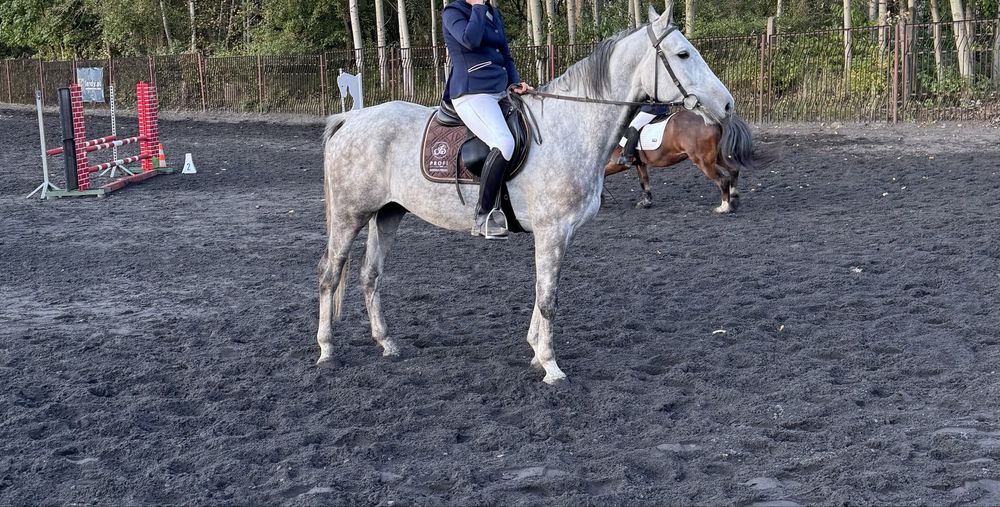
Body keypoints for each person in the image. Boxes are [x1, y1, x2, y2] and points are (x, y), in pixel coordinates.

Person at [442, 0, 532, 240]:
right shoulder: (453, 12)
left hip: (501, 90)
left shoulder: (494, 13)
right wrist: (479, 7)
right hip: (472, 92)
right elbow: (470, 40)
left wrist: (514, 83)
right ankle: (482, 217)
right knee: (504, 143)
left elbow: (506, 54)